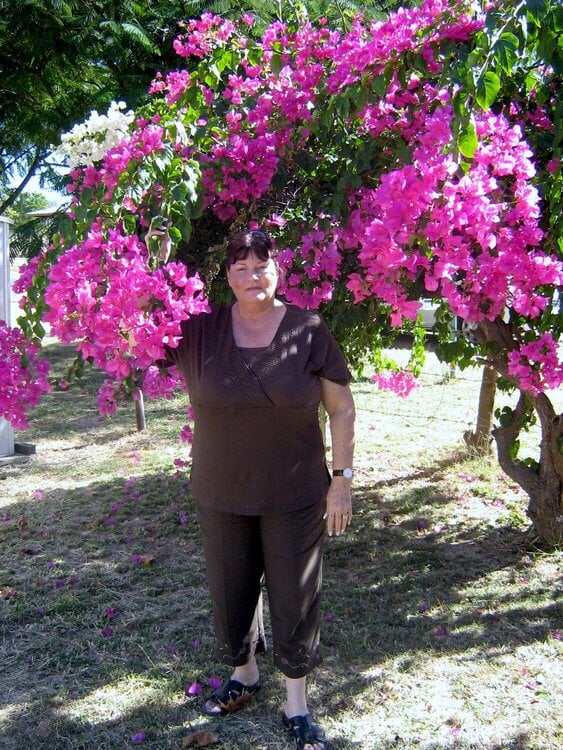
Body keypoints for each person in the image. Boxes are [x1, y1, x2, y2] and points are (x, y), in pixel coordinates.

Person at [162, 228, 355, 750]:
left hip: (295, 493)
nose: (252, 275)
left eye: (261, 265)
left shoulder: (308, 329)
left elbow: (341, 408)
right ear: (227, 276)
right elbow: (138, 331)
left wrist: (342, 479)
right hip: (221, 492)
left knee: (296, 596)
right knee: (232, 590)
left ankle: (297, 704)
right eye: (240, 267)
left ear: (279, 273)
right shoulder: (198, 332)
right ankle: (245, 674)